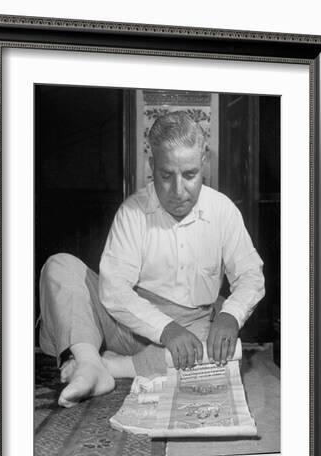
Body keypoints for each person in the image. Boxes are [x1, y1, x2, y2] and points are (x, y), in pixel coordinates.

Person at [39, 111, 265, 408]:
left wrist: (230, 316)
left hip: (192, 328)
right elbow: (114, 291)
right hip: (125, 323)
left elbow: (250, 275)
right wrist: (166, 329)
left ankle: (107, 367)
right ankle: (89, 361)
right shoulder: (133, 211)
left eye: (190, 175)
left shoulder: (223, 211)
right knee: (59, 265)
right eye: (166, 175)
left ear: (204, 162)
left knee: (224, 349)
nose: (178, 191)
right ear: (151, 165)